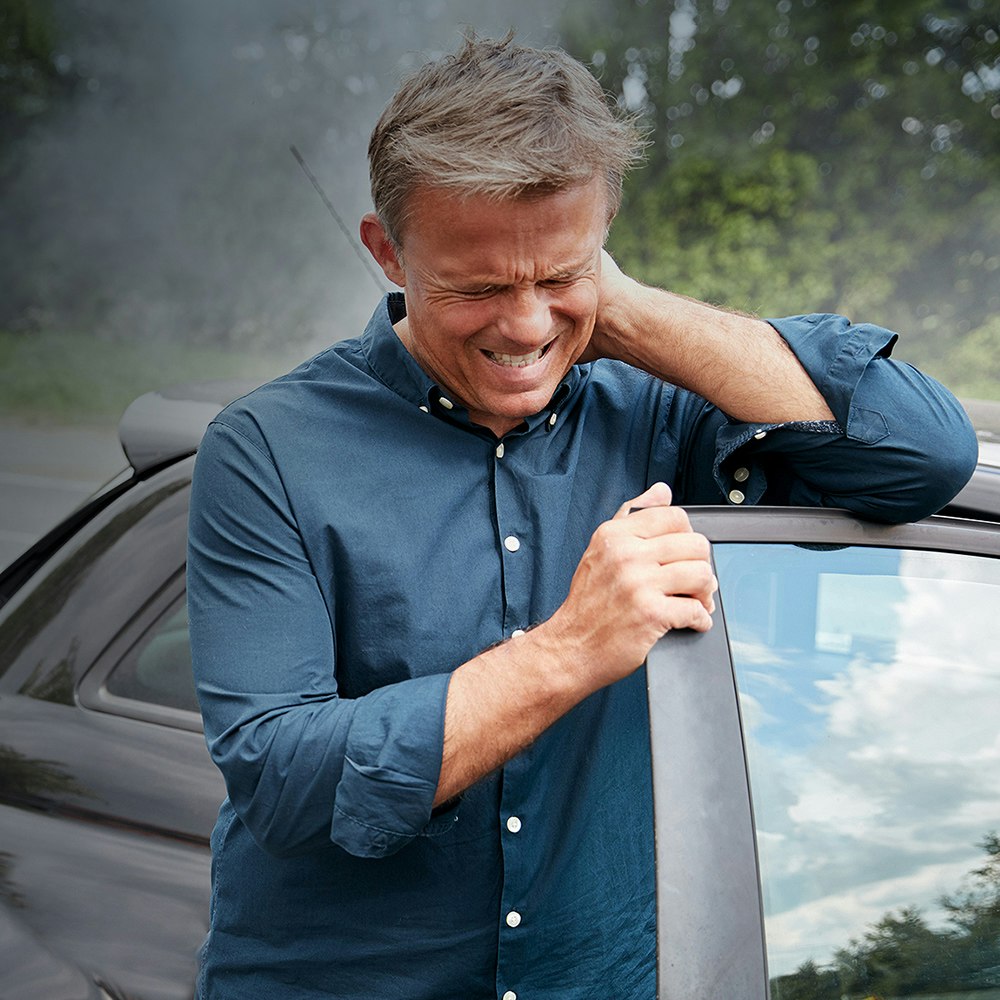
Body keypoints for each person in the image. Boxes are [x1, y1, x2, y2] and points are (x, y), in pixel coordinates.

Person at [187, 34, 977, 1000]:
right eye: (477, 287)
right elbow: (283, 780)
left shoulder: (661, 407)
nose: (524, 328)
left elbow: (924, 458)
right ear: (386, 251)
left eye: (558, 275)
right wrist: (567, 651)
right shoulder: (266, 448)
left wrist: (617, 307)